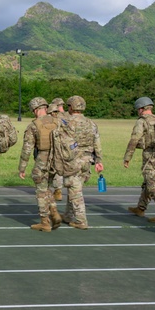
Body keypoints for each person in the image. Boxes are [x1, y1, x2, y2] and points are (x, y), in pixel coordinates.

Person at [123, 96, 155, 223]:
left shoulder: (142, 121)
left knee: (153, 183)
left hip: (150, 156)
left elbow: (134, 139)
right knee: (148, 182)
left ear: (141, 109)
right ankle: (141, 208)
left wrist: (127, 157)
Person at [61, 95, 104, 230]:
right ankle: (68, 215)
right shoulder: (91, 123)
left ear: (71, 107)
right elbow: (97, 143)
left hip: (73, 160)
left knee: (75, 190)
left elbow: (61, 143)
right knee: (75, 187)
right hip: (87, 160)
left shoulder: (66, 123)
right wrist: (98, 160)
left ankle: (81, 220)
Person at [19, 97, 60, 231]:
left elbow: (27, 148)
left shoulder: (33, 125)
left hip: (42, 159)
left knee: (41, 190)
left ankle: (44, 221)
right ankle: (54, 211)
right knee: (48, 187)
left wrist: (22, 168)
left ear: (35, 110)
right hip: (58, 161)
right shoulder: (59, 122)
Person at [48, 97, 66, 201]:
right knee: (59, 169)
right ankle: (58, 190)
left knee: (50, 168)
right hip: (64, 147)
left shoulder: (51, 117)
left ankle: (49, 190)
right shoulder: (67, 116)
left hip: (52, 146)